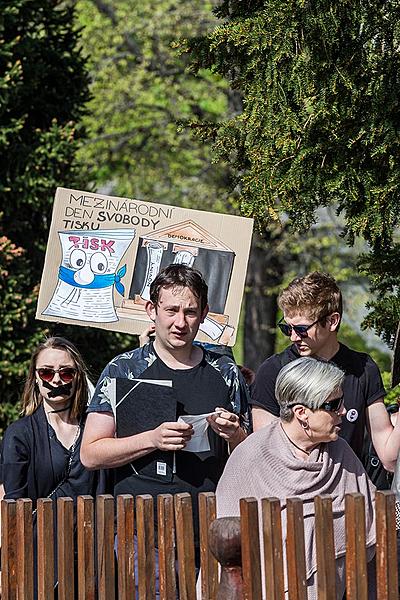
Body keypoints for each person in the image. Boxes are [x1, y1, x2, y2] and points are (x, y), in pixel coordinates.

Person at [81, 265, 250, 573]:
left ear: (204, 314)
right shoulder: (124, 369)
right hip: (140, 533)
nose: (180, 322)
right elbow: (90, 453)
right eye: (171, 310)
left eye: (190, 312)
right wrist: (152, 439)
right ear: (151, 310)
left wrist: (235, 434)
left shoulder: (225, 372)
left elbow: (253, 455)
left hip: (211, 533)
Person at [216, 357, 376, 599]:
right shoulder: (251, 456)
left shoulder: (341, 453)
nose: (343, 410)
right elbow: (227, 547)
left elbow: (375, 514)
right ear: (302, 413)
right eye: (333, 405)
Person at [251, 271, 400, 474]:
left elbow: (389, 459)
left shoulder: (363, 369)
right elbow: (266, 454)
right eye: (287, 328)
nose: (293, 337)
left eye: (302, 329)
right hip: (291, 495)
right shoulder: (272, 371)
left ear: (332, 321)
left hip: (349, 496)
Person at [1, 337, 109, 591]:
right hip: (40, 559)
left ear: (78, 377)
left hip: (93, 555)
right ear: (36, 379)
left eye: (66, 373)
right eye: (47, 373)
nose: (56, 380)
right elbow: (14, 508)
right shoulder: (20, 434)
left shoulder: (97, 429)